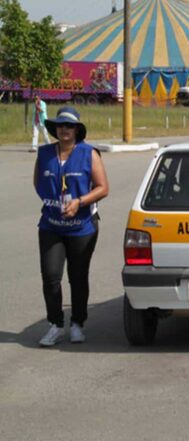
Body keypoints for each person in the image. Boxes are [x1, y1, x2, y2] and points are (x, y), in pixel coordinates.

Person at [34, 107, 109, 346]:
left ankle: (77, 323)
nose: (64, 129)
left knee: (77, 277)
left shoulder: (89, 153)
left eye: (69, 126)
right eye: (60, 125)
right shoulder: (45, 153)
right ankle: (55, 325)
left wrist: (80, 202)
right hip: (51, 226)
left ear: (77, 130)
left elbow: (103, 188)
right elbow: (38, 183)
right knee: (50, 276)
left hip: (82, 227)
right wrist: (54, 203)